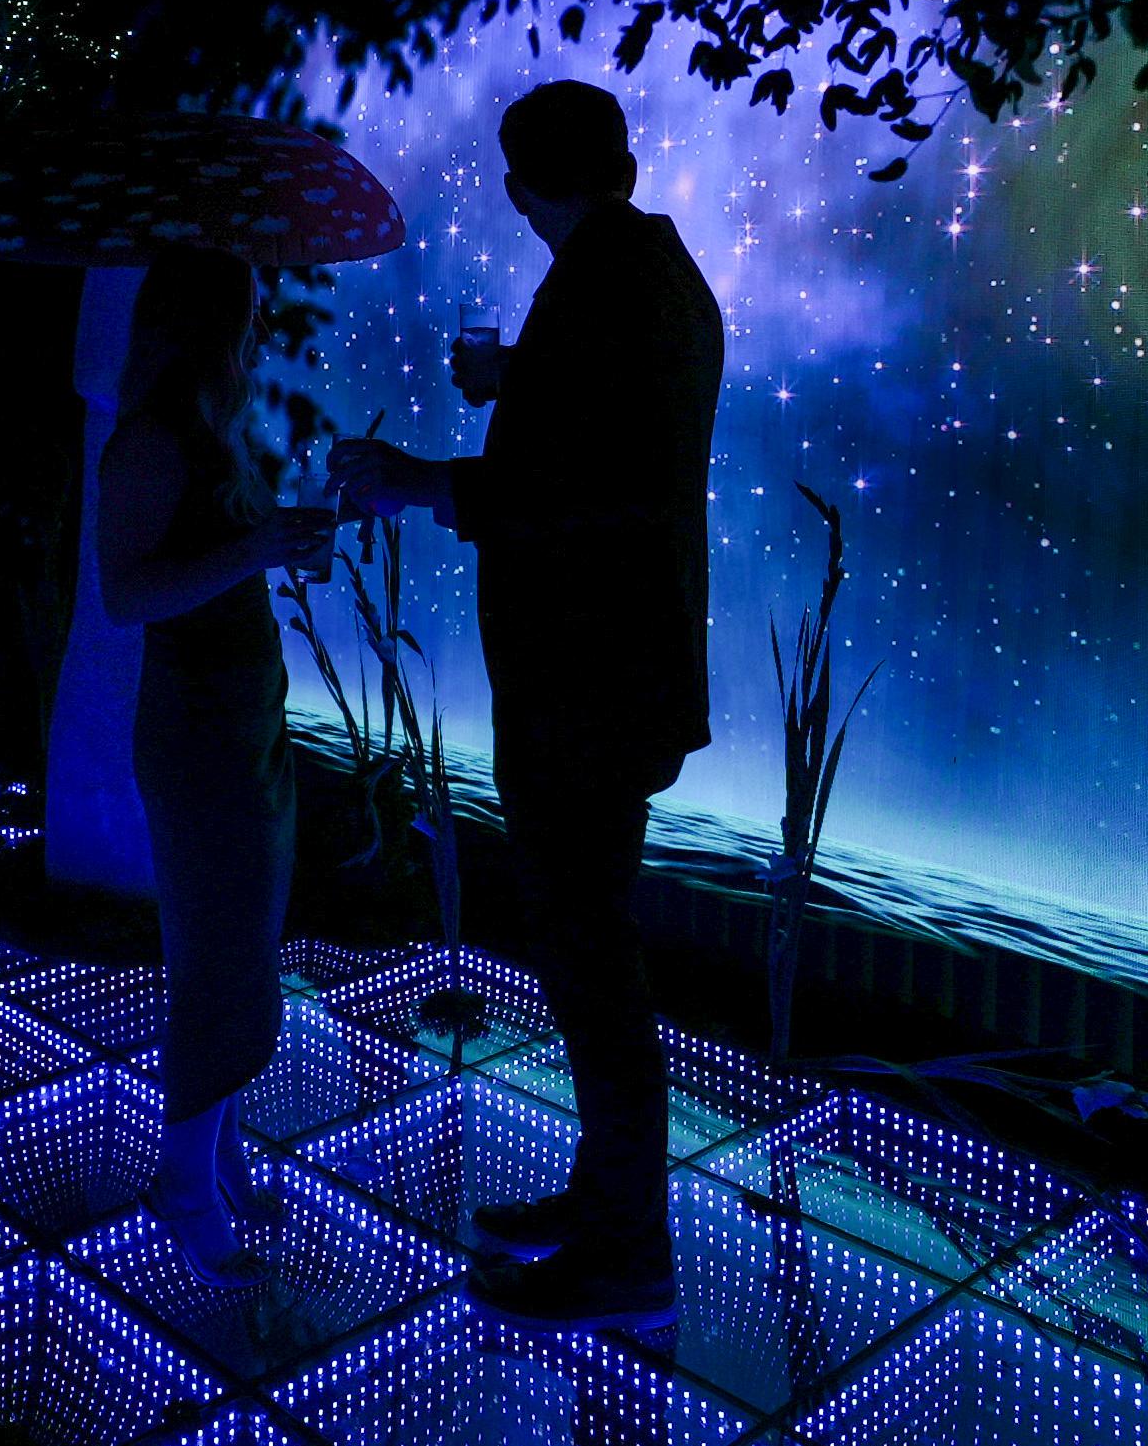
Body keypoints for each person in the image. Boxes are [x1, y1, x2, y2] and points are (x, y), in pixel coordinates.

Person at [333, 80, 723, 1331]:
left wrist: (417, 478)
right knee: (588, 952)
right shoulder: (650, 269)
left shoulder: (601, 285)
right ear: (621, 163)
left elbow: (571, 495)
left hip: (583, 685)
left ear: (517, 187)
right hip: (616, 676)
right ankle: (605, 1206)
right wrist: (521, 379)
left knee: (590, 965)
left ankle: (625, 1258)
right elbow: (610, 435)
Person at [97, 242, 326, 1283]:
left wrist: (278, 532)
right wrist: (256, 547)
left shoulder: (209, 424)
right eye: (249, 308)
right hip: (197, 737)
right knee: (216, 963)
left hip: (244, 726)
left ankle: (219, 1154)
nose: (262, 324)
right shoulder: (148, 439)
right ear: (206, 322)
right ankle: (181, 1183)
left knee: (243, 952)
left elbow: (223, 559)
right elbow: (127, 594)